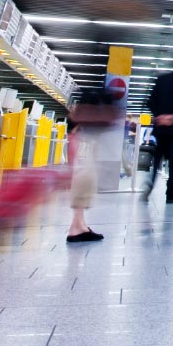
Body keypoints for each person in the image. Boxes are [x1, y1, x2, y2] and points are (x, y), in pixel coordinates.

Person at [67, 88, 120, 242]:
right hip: (86, 141)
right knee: (85, 177)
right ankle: (76, 228)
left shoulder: (83, 125)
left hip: (86, 139)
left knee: (86, 177)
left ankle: (79, 225)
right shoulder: (87, 129)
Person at [143, 54, 173, 204]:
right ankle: (171, 194)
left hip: (160, 128)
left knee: (156, 160)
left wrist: (159, 116)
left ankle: (149, 184)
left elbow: (150, 100)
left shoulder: (161, 79)